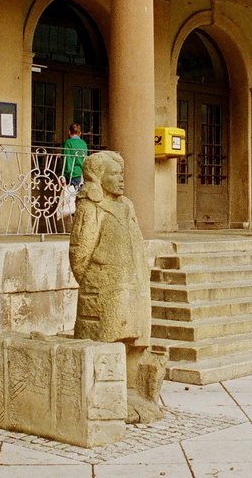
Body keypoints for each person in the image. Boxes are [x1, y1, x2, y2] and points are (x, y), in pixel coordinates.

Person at [69, 151, 163, 423]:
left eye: (122, 174)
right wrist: (95, 282)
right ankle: (107, 393)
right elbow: (80, 252)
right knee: (109, 339)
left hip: (132, 284)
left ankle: (131, 389)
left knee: (135, 339)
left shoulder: (127, 206)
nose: (121, 179)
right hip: (105, 286)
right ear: (99, 178)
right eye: (114, 174)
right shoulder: (91, 207)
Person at [62, 123, 87, 190]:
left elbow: (68, 161)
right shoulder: (83, 143)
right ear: (80, 133)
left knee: (71, 197)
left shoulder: (68, 143)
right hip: (82, 174)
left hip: (72, 175)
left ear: (69, 132)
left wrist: (64, 175)